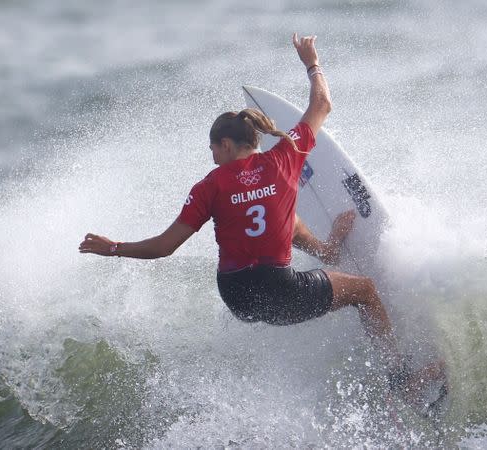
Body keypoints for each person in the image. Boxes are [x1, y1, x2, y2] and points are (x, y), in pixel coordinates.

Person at [79, 33, 405, 375]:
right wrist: (312, 63)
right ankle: (399, 376)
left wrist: (113, 247)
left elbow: (164, 247)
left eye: (213, 150)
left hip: (237, 297)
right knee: (365, 291)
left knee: (284, 218)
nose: (212, 157)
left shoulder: (210, 186)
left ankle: (327, 250)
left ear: (225, 144)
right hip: (280, 290)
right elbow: (322, 103)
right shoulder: (286, 157)